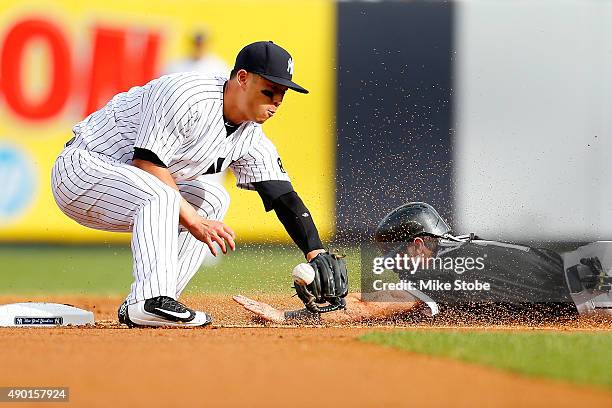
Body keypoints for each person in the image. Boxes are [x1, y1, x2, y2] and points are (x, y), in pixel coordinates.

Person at [51, 41, 337, 328]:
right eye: (269, 90)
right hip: (83, 169)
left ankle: (159, 301)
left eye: (282, 94)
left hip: (129, 188)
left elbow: (283, 197)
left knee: (213, 198)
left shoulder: (250, 136)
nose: (276, 101)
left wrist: (316, 252)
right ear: (242, 78)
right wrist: (195, 221)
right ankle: (150, 300)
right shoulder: (187, 95)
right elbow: (147, 164)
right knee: (165, 196)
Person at [235, 202, 612, 324]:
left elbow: (367, 306)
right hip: (591, 264)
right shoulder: (460, 250)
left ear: (417, 245)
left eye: (392, 252)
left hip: (594, 283)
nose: (389, 262)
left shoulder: (441, 270)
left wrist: (289, 317)